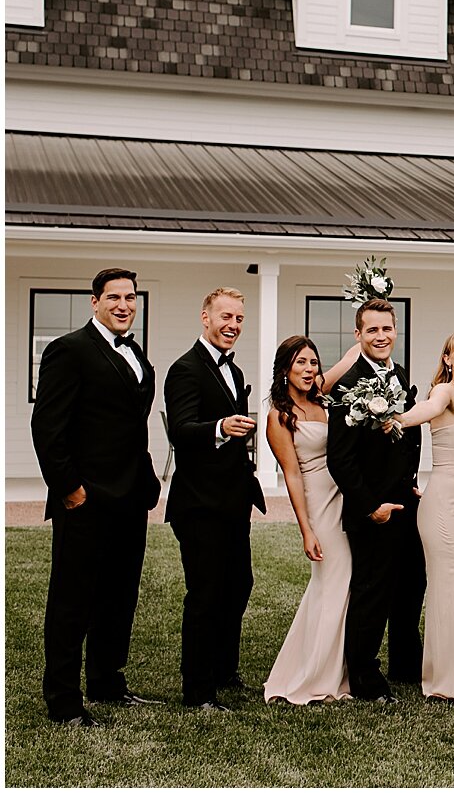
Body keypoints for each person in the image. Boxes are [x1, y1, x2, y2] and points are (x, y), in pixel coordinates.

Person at [31, 267, 164, 726]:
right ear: (95, 302)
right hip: (85, 501)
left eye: (130, 297)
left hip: (130, 499)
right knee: (73, 600)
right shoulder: (68, 351)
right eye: (113, 297)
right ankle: (64, 701)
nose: (123, 305)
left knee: (118, 596)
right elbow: (47, 428)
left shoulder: (136, 354)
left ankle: (107, 682)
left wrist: (147, 484)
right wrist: (69, 489)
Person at [163, 287, 265, 712]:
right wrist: (222, 426)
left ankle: (224, 670)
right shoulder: (185, 369)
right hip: (199, 504)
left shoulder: (235, 373)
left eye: (239, 319)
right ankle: (198, 691)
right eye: (225, 317)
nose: (233, 325)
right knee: (205, 594)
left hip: (232, 501)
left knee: (238, 585)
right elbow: (182, 431)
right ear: (205, 317)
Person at [326, 298, 425, 702]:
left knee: (411, 585)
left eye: (387, 329)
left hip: (406, 501)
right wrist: (371, 507)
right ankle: (365, 676)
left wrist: (412, 480)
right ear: (358, 335)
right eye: (372, 330)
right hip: (373, 511)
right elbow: (340, 458)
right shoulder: (350, 384)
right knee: (373, 592)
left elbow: (405, 433)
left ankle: (406, 662)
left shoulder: (398, 375)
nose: (381, 336)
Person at [262, 336, 360, 704]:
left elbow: (352, 356)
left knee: (343, 583)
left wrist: (364, 314)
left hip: (344, 494)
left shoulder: (320, 394)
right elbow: (292, 475)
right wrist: (306, 530)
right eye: (300, 363)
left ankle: (334, 670)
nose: (309, 370)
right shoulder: (279, 415)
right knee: (333, 580)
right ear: (285, 368)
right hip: (318, 501)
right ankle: (311, 677)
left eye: (313, 363)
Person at [398, 329, 454, 704]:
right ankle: (444, 683)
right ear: (447, 359)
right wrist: (397, 418)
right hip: (443, 508)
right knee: (449, 589)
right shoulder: (446, 392)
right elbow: (427, 410)